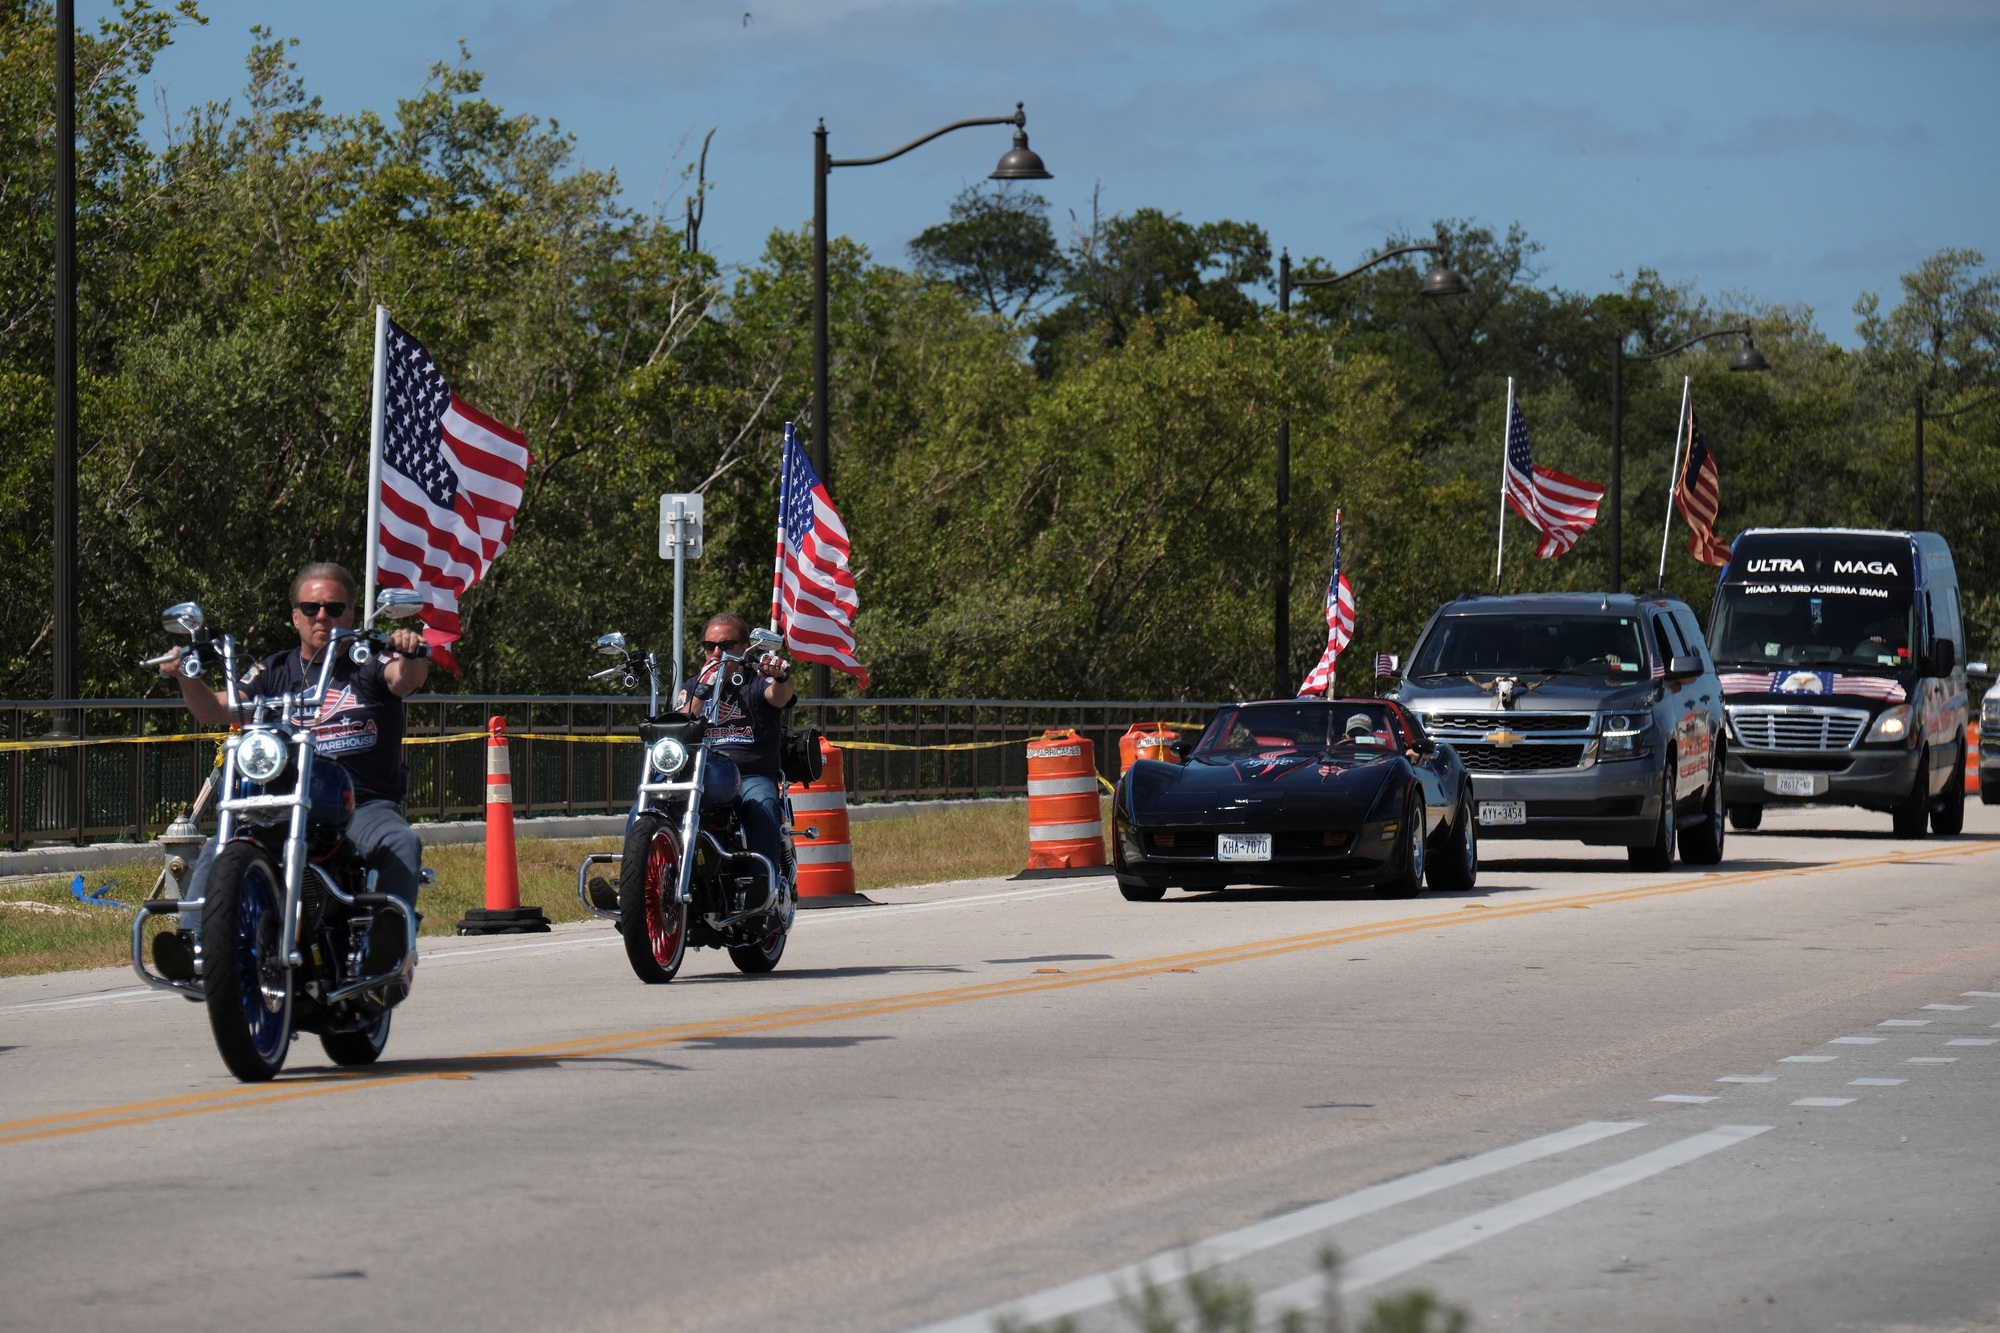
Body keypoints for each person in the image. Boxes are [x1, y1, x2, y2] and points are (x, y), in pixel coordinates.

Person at [161, 562, 430, 970]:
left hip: (361, 804)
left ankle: (386, 943)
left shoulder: (372, 661)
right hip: (281, 801)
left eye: (334, 608)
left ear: (351, 615)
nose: (322, 616)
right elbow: (217, 708)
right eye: (311, 608)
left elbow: (405, 679)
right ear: (295, 616)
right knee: (221, 845)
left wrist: (410, 649)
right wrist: (184, 676)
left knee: (400, 841)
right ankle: (194, 944)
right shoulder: (273, 669)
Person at [673, 613, 795, 884]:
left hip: (749, 776)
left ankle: (763, 886)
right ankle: (641, 886)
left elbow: (779, 696)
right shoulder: (694, 686)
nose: (717, 653)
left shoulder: (756, 681)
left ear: (744, 647)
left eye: (726, 645)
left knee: (763, 804)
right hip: (701, 777)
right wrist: (704, 688)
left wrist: (782, 676)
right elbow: (681, 723)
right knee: (651, 806)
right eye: (710, 646)